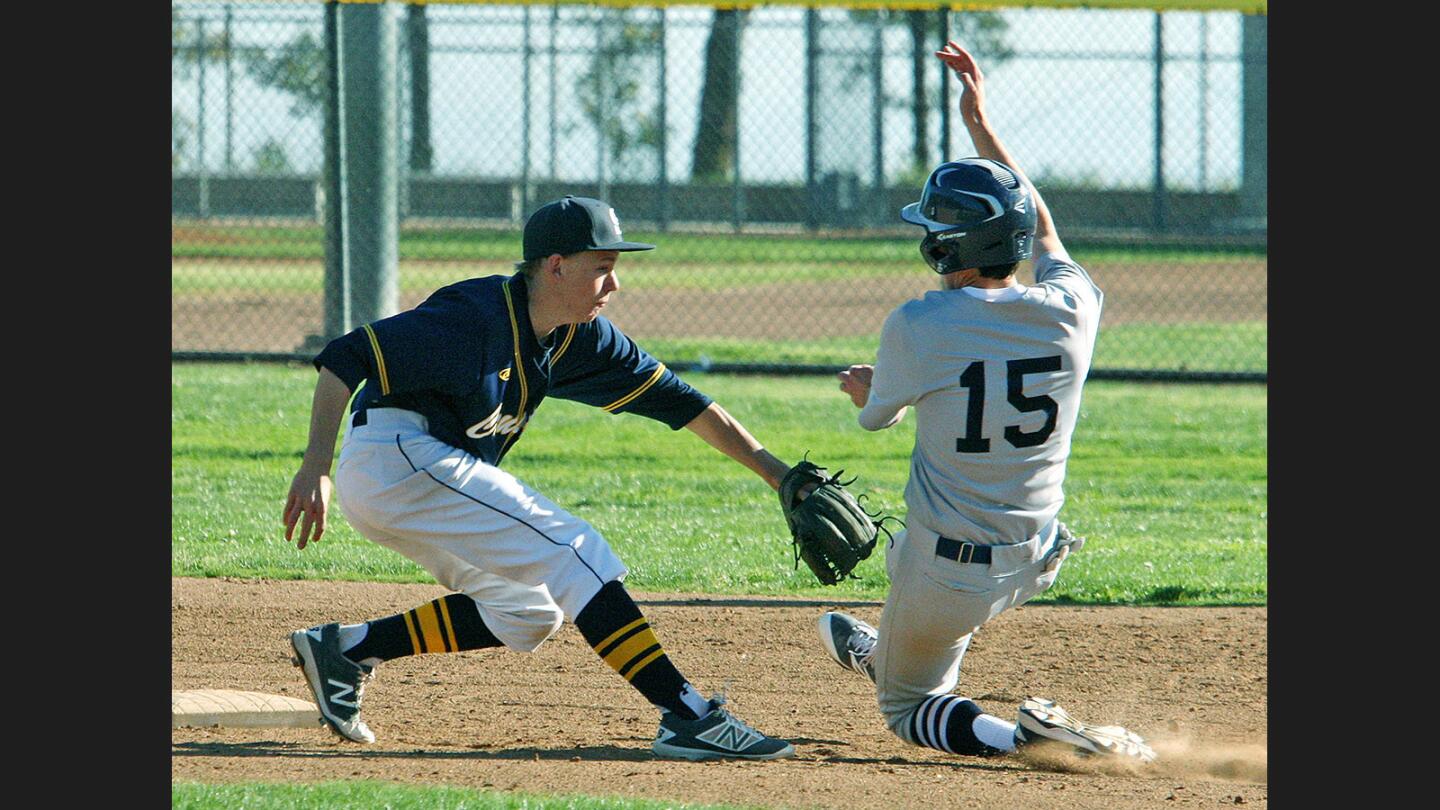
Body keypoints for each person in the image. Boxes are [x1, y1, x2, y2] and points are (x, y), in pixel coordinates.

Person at [283, 195, 795, 761]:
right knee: (574, 550)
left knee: (527, 611)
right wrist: (316, 467)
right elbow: (344, 358)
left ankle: (348, 650)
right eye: (602, 268)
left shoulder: (580, 336)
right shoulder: (474, 315)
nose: (614, 284)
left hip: (423, 475)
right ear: (556, 266)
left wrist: (780, 477)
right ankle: (688, 714)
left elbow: (683, 403)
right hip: (396, 457)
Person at [814, 42, 1155, 764]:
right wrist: (982, 126)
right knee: (924, 610)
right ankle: (889, 650)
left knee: (909, 707)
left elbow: (879, 417)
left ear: (944, 248)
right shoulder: (1073, 309)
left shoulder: (917, 326)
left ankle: (1028, 740)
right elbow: (1046, 227)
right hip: (1038, 555)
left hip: (949, 573)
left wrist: (873, 393)